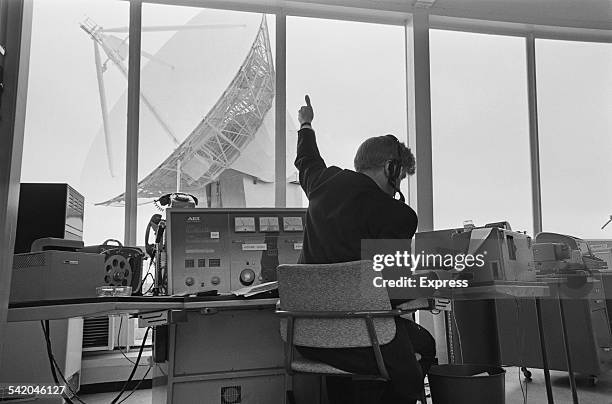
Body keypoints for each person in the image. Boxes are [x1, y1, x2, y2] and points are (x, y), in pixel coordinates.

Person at [293, 95, 435, 403]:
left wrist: (306, 123)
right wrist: (430, 282)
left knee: (373, 349)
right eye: (400, 175)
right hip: (364, 338)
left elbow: (307, 160)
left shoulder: (322, 182)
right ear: (391, 168)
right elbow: (396, 291)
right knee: (423, 346)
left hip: (307, 337)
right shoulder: (397, 214)